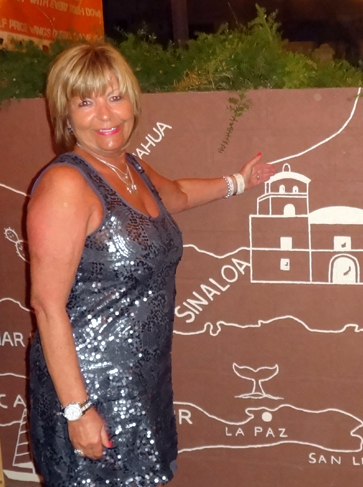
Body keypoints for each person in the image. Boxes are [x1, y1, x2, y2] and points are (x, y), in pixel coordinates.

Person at [26, 42, 276, 486]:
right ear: (66, 116)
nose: (105, 114)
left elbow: (177, 194)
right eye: (85, 102)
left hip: (143, 379)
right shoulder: (66, 184)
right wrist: (77, 410)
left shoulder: (129, 167)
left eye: (115, 97)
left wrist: (239, 182)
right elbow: (47, 306)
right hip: (89, 385)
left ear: (133, 103)